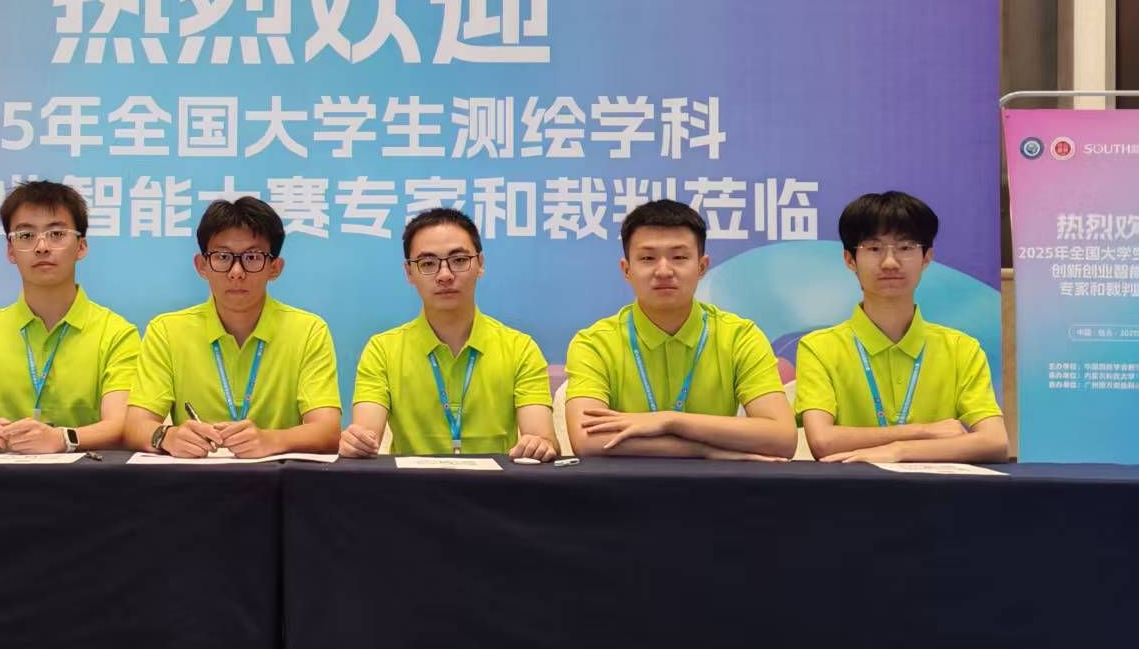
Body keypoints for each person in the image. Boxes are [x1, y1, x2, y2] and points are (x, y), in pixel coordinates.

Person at [563, 199, 795, 460]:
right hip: (621, 485)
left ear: (701, 267)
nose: (664, 271)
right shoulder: (594, 343)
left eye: (679, 257)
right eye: (648, 258)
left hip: (719, 484)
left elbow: (782, 438)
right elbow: (587, 440)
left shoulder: (739, 337)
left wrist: (670, 420)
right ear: (627, 270)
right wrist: (704, 450)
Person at [795, 191, 1008, 464]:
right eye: (874, 249)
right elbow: (822, 441)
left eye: (905, 248)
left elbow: (995, 442)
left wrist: (900, 450)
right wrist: (925, 432)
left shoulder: (961, 349)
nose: (890, 262)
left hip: (939, 490)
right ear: (849, 259)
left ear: (927, 257)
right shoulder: (819, 347)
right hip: (851, 487)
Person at [124, 197, 341, 458]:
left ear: (275, 268)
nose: (236, 271)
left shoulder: (308, 331)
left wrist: (270, 440)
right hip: (193, 477)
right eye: (222, 257)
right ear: (202, 265)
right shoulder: (167, 331)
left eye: (252, 257)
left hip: (277, 478)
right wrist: (167, 436)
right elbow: (135, 426)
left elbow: (328, 431)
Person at [0, 181, 139, 455]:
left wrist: (62, 438)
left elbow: (121, 425)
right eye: (26, 236)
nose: (42, 246)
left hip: (89, 477)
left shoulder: (116, 333)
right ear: (10, 250)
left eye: (57, 234)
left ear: (81, 246)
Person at [341, 207, 557, 460]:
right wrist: (357, 443)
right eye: (428, 263)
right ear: (409, 272)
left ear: (480, 264)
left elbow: (542, 437)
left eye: (459, 260)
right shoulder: (383, 350)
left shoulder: (520, 348)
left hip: (497, 484)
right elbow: (366, 432)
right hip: (410, 484)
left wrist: (540, 445)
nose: (445, 275)